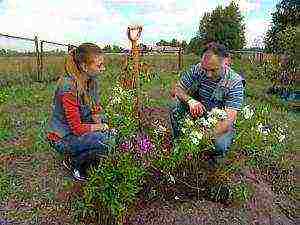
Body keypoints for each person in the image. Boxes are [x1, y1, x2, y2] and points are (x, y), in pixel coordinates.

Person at [45, 43, 116, 181]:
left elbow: (95, 109)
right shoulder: (68, 87)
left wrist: (102, 125)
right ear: (84, 66)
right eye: (99, 65)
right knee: (106, 141)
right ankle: (75, 163)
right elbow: (77, 129)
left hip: (79, 126)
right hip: (63, 137)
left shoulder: (92, 81)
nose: (103, 68)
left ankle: (87, 150)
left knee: (114, 123)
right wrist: (101, 129)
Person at [170, 42, 244, 160]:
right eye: (205, 69)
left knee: (220, 145)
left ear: (226, 62)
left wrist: (198, 137)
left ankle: (211, 158)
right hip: (200, 113)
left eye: (213, 70)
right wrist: (190, 101)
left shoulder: (234, 83)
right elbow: (176, 89)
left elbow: (227, 121)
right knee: (175, 104)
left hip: (218, 121)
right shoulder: (199, 69)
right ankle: (179, 142)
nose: (208, 74)